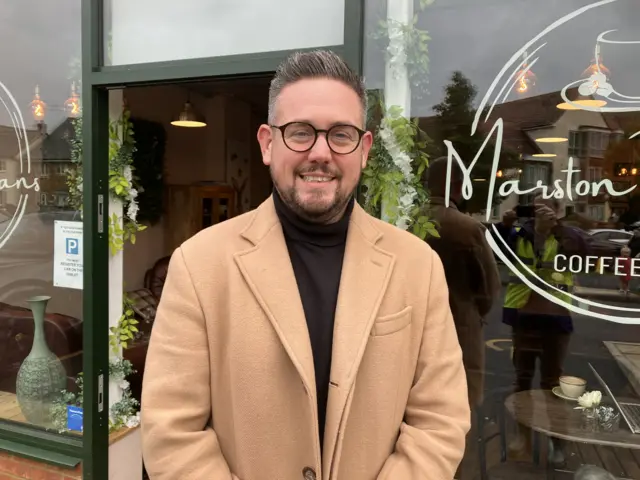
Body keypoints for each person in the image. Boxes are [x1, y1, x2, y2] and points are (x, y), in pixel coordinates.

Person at [141, 50, 470, 480]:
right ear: (267, 143)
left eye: (341, 134)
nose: (320, 153)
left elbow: (439, 422)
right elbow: (172, 432)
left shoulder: (418, 267)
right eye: (300, 133)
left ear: (365, 149)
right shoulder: (200, 265)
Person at [424, 157, 501, 478]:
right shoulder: (467, 229)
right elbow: (489, 290)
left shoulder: (404, 220)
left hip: (415, 332)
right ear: (457, 185)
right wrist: (471, 312)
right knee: (458, 416)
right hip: (459, 330)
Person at [499, 196, 588, 462]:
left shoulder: (568, 236)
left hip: (556, 317)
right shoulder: (520, 232)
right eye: (538, 208)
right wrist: (507, 226)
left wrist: (556, 228)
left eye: (550, 208)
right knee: (522, 379)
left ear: (559, 212)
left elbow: (585, 252)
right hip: (523, 315)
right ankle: (522, 437)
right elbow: (498, 251)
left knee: (552, 383)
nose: (543, 212)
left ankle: (556, 442)